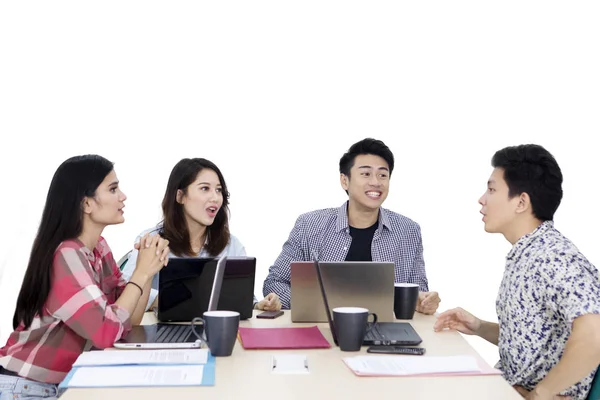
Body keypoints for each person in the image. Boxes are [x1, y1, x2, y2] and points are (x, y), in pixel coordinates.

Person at [433, 144, 600, 400]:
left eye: (491, 189)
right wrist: (478, 327)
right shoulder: (527, 252)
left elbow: (594, 335)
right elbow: (533, 341)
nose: (482, 198)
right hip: (504, 387)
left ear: (521, 202)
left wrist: (540, 394)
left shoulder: (554, 257)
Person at [0, 155, 169, 398]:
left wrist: (148, 270)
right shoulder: (65, 255)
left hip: (58, 385)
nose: (123, 196)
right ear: (86, 204)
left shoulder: (98, 247)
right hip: (24, 387)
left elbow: (130, 319)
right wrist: (140, 272)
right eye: (113, 189)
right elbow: (105, 333)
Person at [262, 138, 440, 312]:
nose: (376, 182)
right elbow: (274, 282)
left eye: (382, 175)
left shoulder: (408, 230)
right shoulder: (309, 225)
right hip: (322, 326)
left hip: (387, 329)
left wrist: (425, 301)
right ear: (344, 180)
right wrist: (315, 306)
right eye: (366, 174)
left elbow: (419, 290)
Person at [122, 157, 281, 312]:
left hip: (217, 331)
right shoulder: (152, 240)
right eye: (205, 188)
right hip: (164, 331)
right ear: (180, 196)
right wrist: (169, 301)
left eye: (218, 190)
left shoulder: (232, 245)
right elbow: (126, 288)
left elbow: (239, 296)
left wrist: (258, 305)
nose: (215, 198)